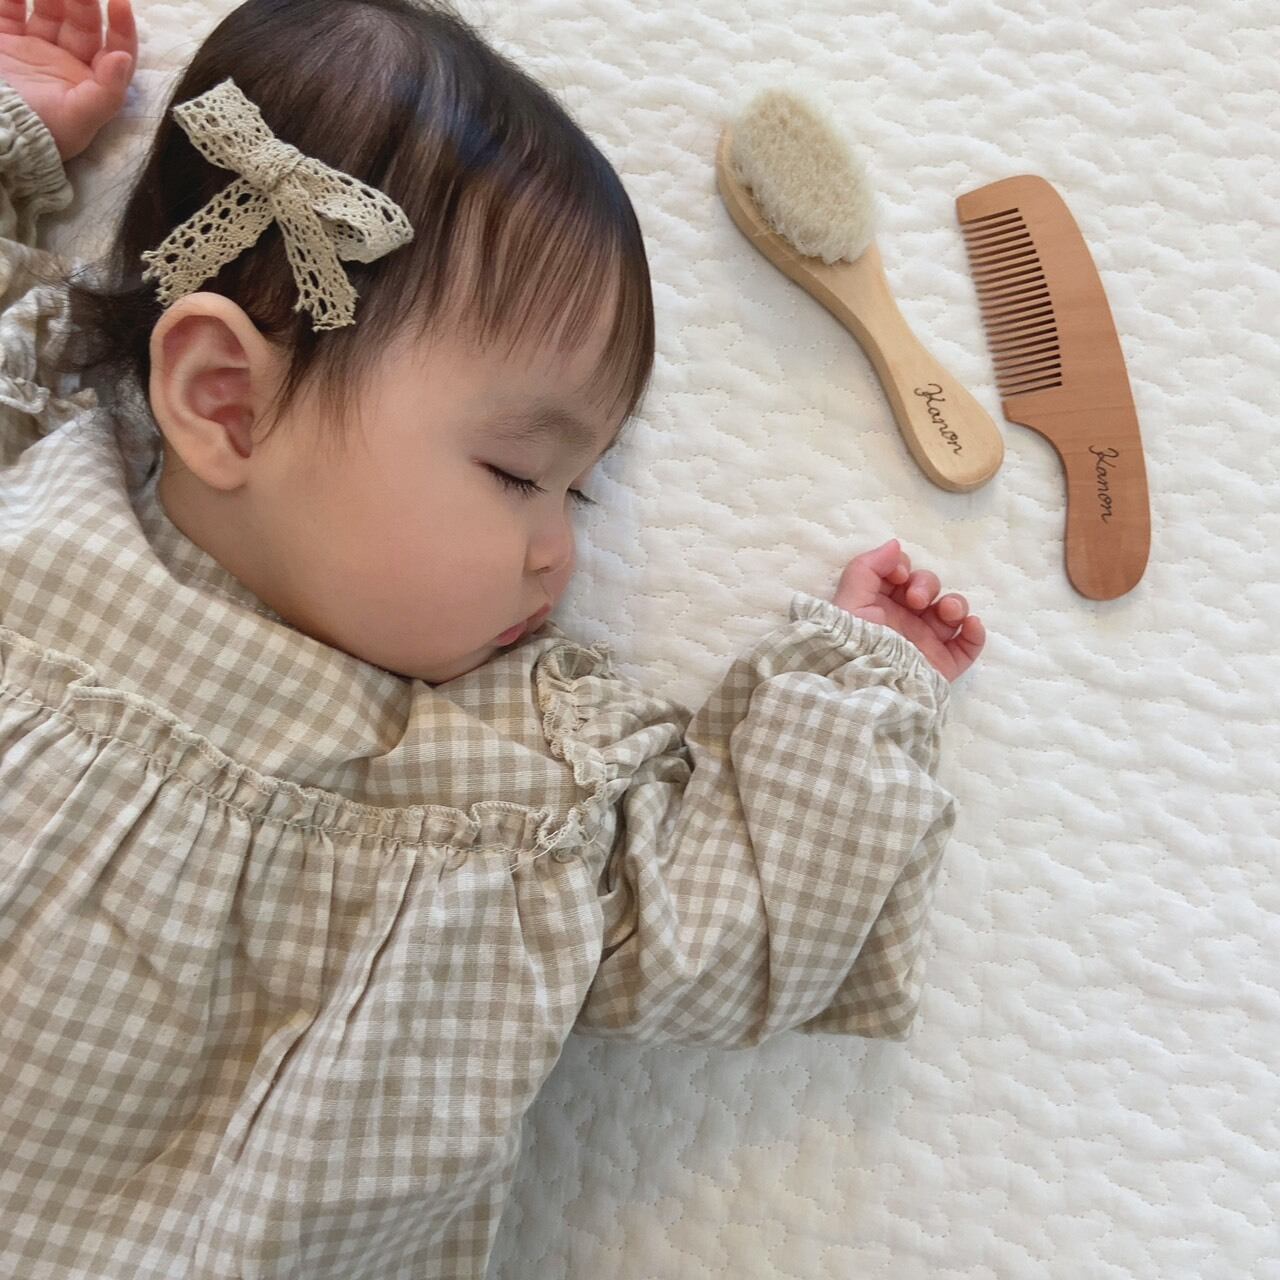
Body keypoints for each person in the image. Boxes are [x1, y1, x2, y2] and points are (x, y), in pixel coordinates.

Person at [0, 0, 986, 1275]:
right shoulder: (39, 465)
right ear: (225, 400)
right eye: (519, 472)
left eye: (579, 494)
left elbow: (730, 929)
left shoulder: (511, 779)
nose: (554, 550)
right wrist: (19, 130)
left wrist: (853, 690)